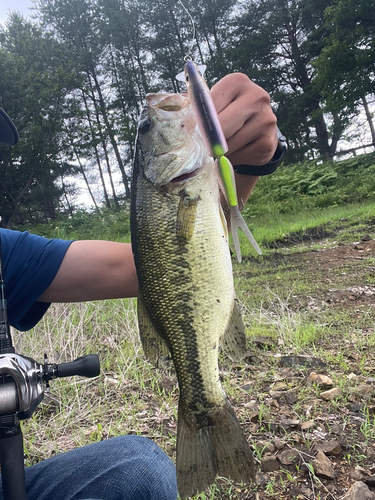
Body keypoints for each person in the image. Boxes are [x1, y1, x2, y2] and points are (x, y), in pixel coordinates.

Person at [0, 73, 284, 499]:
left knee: (141, 472)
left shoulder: (6, 256)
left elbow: (161, 267)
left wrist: (253, 162)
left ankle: (204, 408)